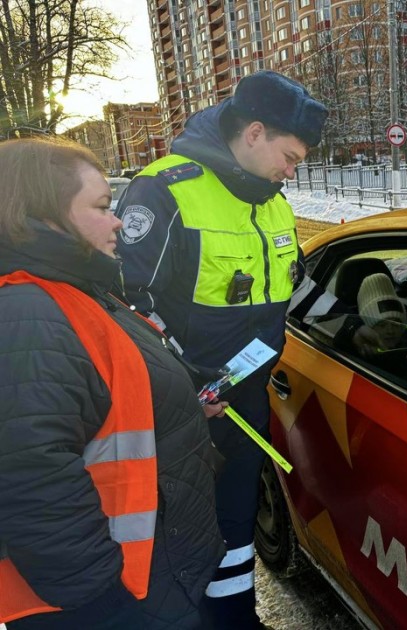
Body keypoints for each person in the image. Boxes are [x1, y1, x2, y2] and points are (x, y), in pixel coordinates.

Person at [115, 70, 338, 629]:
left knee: (237, 525)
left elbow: (294, 287)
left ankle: (236, 618)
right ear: (255, 132)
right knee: (183, 531)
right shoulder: (166, 190)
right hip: (183, 411)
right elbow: (125, 305)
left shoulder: (273, 203)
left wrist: (365, 322)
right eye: (290, 156)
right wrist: (186, 385)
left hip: (247, 400)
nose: (294, 171)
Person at [0, 137, 225, 629]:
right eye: (102, 206)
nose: (120, 221)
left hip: (151, 575)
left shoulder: (78, 288)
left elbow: (104, 403)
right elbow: (29, 477)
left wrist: (182, 405)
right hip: (116, 596)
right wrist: (104, 602)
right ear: (42, 215)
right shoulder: (27, 312)